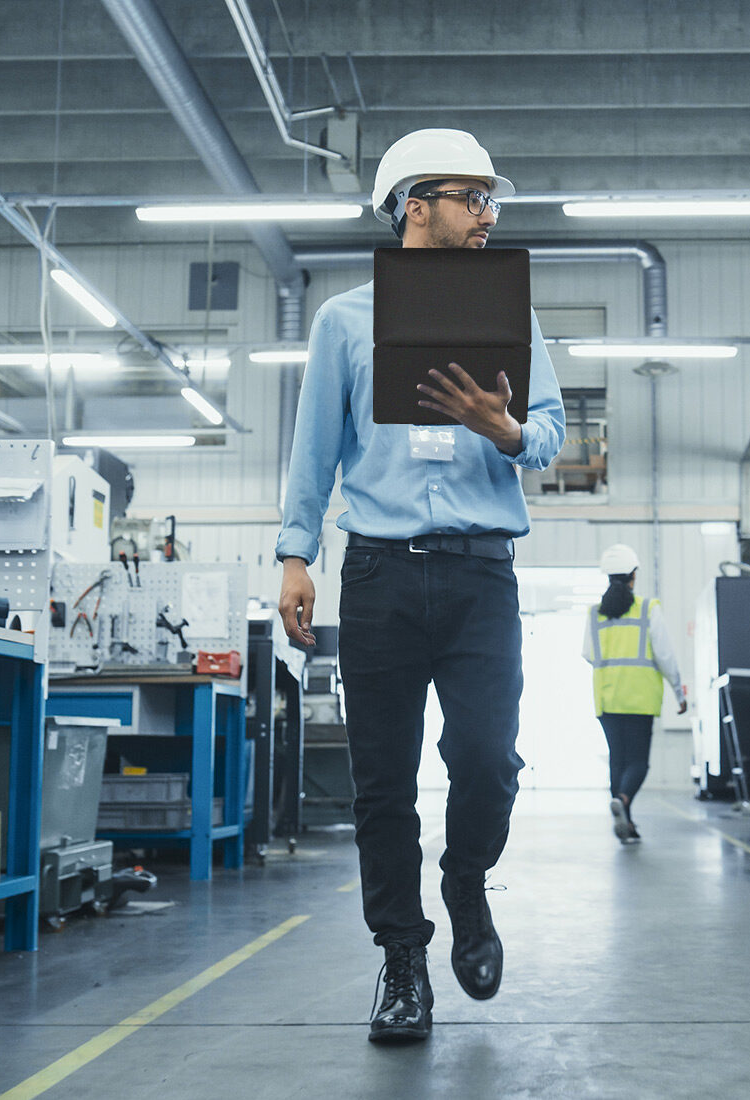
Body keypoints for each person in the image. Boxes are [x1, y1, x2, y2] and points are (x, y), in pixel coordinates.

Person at [276, 129, 565, 1043]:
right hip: (377, 579)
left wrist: (507, 429)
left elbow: (553, 435)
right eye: (471, 197)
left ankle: (465, 882)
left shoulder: (514, 316)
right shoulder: (341, 323)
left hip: (481, 574)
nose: (487, 215)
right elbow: (313, 450)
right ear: (414, 203)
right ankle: (402, 958)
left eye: (491, 200)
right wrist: (294, 556)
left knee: (487, 762)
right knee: (381, 783)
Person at [582, 544, 687, 844]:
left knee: (618, 759)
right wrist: (679, 692)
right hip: (639, 698)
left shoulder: (594, 614)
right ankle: (625, 801)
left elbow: (588, 654)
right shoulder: (647, 608)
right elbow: (665, 655)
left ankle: (626, 821)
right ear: (633, 576)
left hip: (608, 697)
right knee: (638, 761)